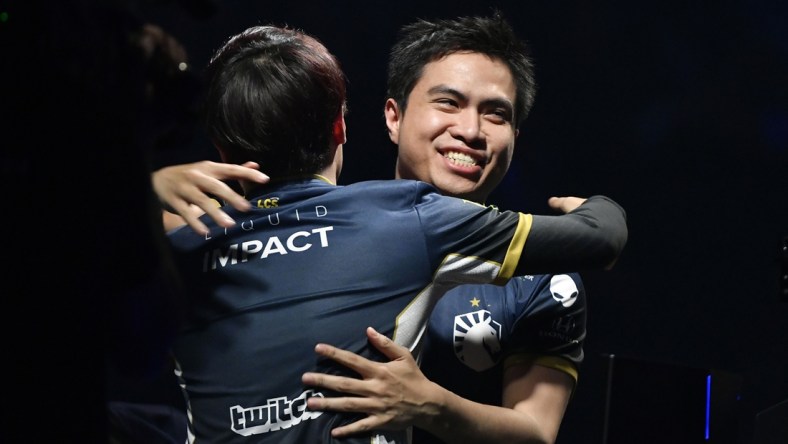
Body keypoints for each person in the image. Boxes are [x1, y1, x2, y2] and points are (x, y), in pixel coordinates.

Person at [161, 22, 626, 444]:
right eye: (448, 102)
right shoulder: (376, 217)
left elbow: (535, 434)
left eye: (496, 115)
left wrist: (433, 407)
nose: (470, 130)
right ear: (391, 117)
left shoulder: (544, 279)